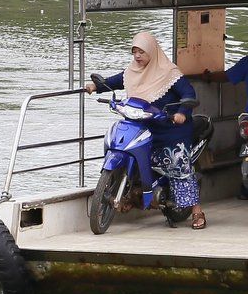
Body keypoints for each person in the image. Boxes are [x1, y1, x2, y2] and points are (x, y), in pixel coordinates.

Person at [86, 30, 205, 229]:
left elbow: (188, 92)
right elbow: (114, 81)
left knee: (178, 164)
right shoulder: (132, 71)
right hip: (144, 125)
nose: (137, 56)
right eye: (134, 52)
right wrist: (96, 87)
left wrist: (182, 112)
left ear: (152, 51)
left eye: (141, 52)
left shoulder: (169, 72)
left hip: (170, 128)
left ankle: (196, 211)